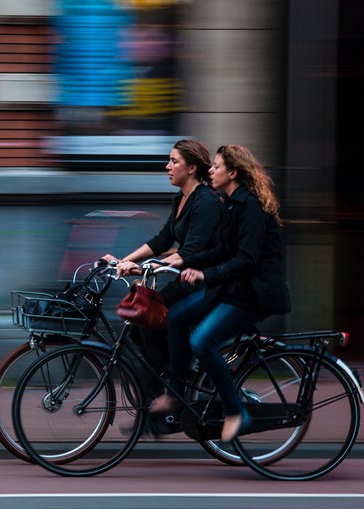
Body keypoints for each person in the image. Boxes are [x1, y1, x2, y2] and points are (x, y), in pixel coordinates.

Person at [150, 144, 291, 443]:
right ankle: (175, 394)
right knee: (175, 317)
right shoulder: (229, 203)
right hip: (231, 288)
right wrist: (186, 261)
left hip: (253, 294)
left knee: (201, 340)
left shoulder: (250, 206)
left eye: (216, 166)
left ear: (233, 172)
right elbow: (222, 249)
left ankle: (236, 411)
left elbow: (246, 259)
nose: (210, 171)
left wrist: (204, 274)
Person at [101, 139, 222, 399]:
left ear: (191, 168)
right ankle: (167, 391)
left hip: (204, 282)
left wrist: (149, 267)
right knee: (139, 327)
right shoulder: (181, 198)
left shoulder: (206, 201)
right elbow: (161, 241)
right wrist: (123, 260)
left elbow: (190, 252)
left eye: (174, 161)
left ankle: (175, 389)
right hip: (183, 280)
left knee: (148, 323)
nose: (167, 166)